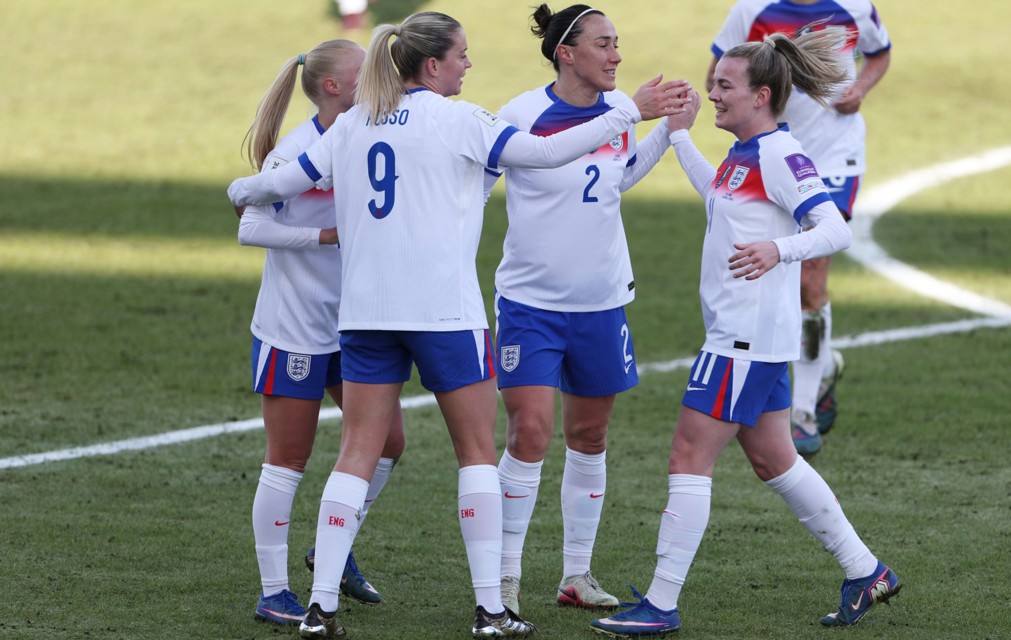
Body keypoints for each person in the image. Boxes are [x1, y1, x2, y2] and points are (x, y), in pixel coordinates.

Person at [227, 11, 692, 638]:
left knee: (354, 453)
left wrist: (241, 188)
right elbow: (548, 151)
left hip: (364, 317)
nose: (470, 65)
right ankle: (492, 610)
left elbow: (276, 184)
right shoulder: (464, 121)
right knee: (475, 453)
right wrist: (628, 113)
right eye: (463, 56)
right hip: (445, 314)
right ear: (433, 65)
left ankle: (320, 609)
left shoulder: (352, 123)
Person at [591, 30, 900, 637]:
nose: (712, 94)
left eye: (723, 87)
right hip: (753, 337)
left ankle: (660, 603)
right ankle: (866, 570)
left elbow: (834, 228)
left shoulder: (780, 155)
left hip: (742, 339)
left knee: (688, 454)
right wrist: (678, 135)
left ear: (761, 96)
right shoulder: (746, 153)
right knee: (775, 460)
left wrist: (778, 250)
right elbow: (720, 196)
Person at [484, 3, 678, 615]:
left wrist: (667, 131)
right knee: (531, 432)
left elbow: (614, 178)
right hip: (531, 306)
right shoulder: (521, 114)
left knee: (589, 436)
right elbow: (495, 170)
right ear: (567, 53)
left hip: (601, 304)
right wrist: (633, 113)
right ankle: (505, 579)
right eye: (604, 44)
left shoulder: (616, 115)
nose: (617, 55)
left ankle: (577, 575)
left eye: (617, 43)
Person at [237, 39, 406, 627]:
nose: (380, 78)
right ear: (333, 87)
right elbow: (250, 226)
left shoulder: (370, 135)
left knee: (389, 444)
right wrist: (324, 240)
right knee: (289, 458)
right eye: (366, 72)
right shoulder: (296, 152)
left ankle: (329, 548)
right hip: (296, 328)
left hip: (356, 324)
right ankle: (274, 590)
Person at [708, 0, 892, 455]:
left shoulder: (853, 7)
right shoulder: (752, 10)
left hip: (832, 157)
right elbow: (720, 67)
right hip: (774, 150)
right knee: (780, 279)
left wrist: (861, 89)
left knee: (811, 274)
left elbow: (880, 52)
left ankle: (803, 411)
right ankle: (821, 362)